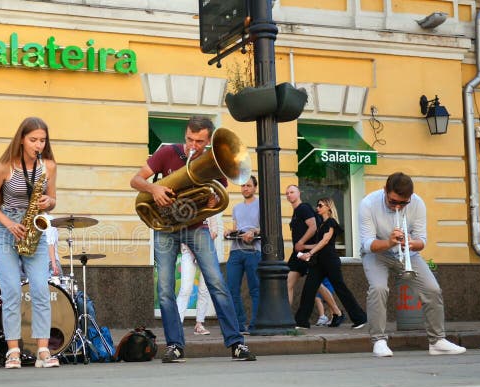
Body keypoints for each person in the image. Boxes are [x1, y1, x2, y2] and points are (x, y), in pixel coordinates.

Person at [130, 115, 256, 362]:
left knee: (216, 283)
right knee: (165, 288)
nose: (192, 145)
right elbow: (136, 180)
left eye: (199, 141)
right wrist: (154, 189)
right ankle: (175, 345)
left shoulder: (215, 163)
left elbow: (218, 198)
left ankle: (236, 343)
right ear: (184, 134)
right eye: (189, 138)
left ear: (208, 141)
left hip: (196, 226)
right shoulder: (167, 153)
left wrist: (212, 201)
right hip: (165, 226)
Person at [0, 117, 59, 369]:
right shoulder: (6, 166)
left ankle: (43, 350)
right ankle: (13, 351)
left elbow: (53, 199)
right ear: (21, 139)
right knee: (12, 289)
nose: (38, 144)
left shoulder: (48, 166)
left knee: (40, 289)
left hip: (34, 229)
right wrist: (8, 223)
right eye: (33, 139)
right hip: (7, 229)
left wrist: (49, 202)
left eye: (42, 140)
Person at [359, 172, 465, 357]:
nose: (398, 206)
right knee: (378, 288)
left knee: (432, 289)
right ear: (385, 191)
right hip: (377, 253)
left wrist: (411, 243)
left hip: (408, 252)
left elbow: (422, 240)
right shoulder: (368, 203)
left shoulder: (417, 203)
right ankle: (379, 341)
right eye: (393, 202)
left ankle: (437, 341)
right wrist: (390, 242)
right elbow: (368, 243)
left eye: (403, 203)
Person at [295, 198, 367, 329]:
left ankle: (360, 318)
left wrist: (309, 254)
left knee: (341, 289)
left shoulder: (331, 222)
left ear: (328, 207)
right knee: (309, 289)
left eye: (320, 205)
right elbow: (319, 244)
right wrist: (304, 246)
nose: (317, 207)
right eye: (317, 205)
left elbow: (325, 241)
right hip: (318, 263)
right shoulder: (321, 224)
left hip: (330, 262)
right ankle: (301, 322)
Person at [285, 185, 343, 324]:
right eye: (287, 193)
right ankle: (285, 318)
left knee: (316, 285)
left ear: (299, 193)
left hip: (306, 253)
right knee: (289, 283)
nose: (289, 195)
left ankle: (337, 312)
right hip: (298, 253)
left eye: (292, 192)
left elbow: (313, 227)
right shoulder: (296, 211)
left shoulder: (303, 208)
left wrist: (302, 243)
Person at [225, 175, 261, 334]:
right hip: (235, 251)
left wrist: (254, 231)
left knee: (255, 289)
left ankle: (254, 325)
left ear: (255, 187)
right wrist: (229, 231)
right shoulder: (236, 208)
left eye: (248, 185)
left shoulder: (262, 204)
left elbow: (266, 228)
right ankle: (239, 325)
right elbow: (236, 227)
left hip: (253, 251)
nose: (245, 188)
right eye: (243, 186)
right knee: (232, 288)